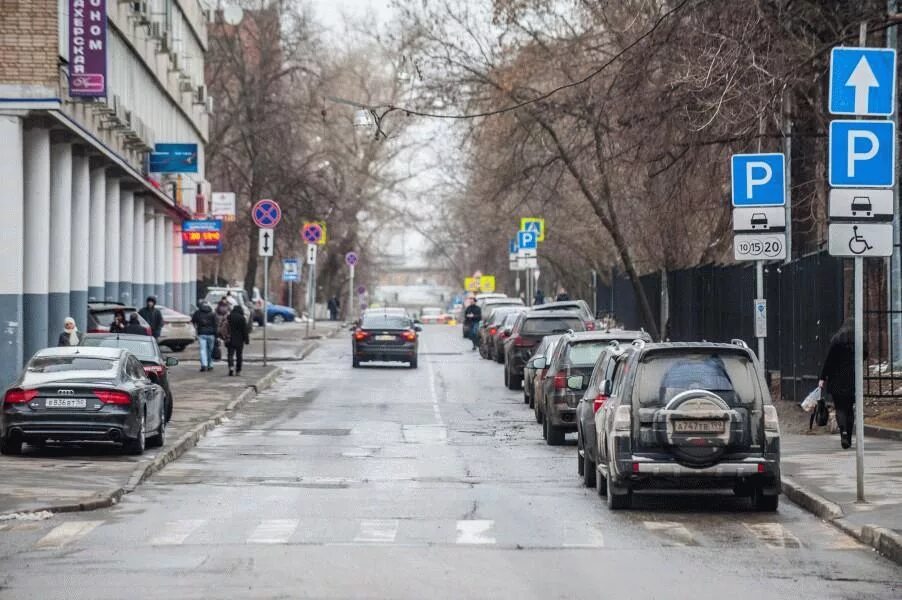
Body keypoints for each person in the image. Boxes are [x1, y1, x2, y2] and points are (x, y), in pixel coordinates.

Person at [819, 319, 857, 449]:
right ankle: (850, 437)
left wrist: (822, 378)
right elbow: (865, 355)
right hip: (852, 379)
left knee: (840, 408)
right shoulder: (856, 342)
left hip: (836, 380)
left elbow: (828, 361)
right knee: (849, 409)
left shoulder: (836, 342)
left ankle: (844, 433)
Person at [192, 300, 218, 372]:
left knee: (202, 350)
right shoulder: (212, 313)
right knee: (210, 350)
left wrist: (196, 328)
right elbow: (216, 324)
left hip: (201, 333)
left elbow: (193, 321)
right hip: (211, 334)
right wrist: (216, 335)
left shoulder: (197, 313)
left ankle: (204, 365)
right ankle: (210, 365)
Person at [225, 304, 250, 376]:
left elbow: (226, 327)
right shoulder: (242, 318)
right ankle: (238, 370)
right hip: (239, 340)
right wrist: (246, 340)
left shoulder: (229, 317)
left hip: (230, 339)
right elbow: (244, 330)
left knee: (230, 354)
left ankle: (231, 367)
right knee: (239, 355)